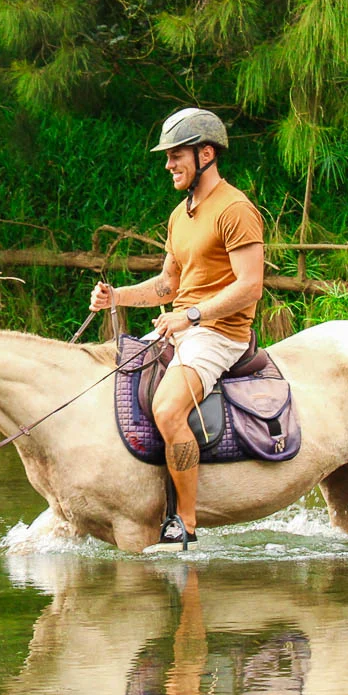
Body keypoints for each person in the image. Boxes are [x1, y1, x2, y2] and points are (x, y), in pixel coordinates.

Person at [90, 108, 266, 551]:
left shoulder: (236, 209)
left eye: (175, 155)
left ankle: (184, 525)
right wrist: (119, 296)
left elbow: (251, 286)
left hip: (219, 333)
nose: (168, 164)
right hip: (183, 327)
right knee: (109, 384)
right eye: (167, 157)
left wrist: (190, 317)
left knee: (168, 409)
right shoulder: (180, 213)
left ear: (206, 153)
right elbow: (169, 285)